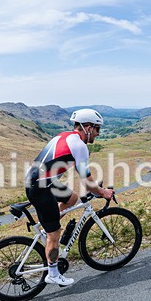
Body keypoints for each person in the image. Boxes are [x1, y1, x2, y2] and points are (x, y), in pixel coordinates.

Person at [25, 109, 114, 287]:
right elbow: (87, 181)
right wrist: (103, 192)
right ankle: (53, 273)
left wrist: (96, 188)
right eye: (97, 129)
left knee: (71, 198)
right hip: (40, 188)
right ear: (88, 127)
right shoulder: (80, 146)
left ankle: (49, 229)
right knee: (55, 233)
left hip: (39, 181)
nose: (98, 133)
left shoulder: (64, 136)